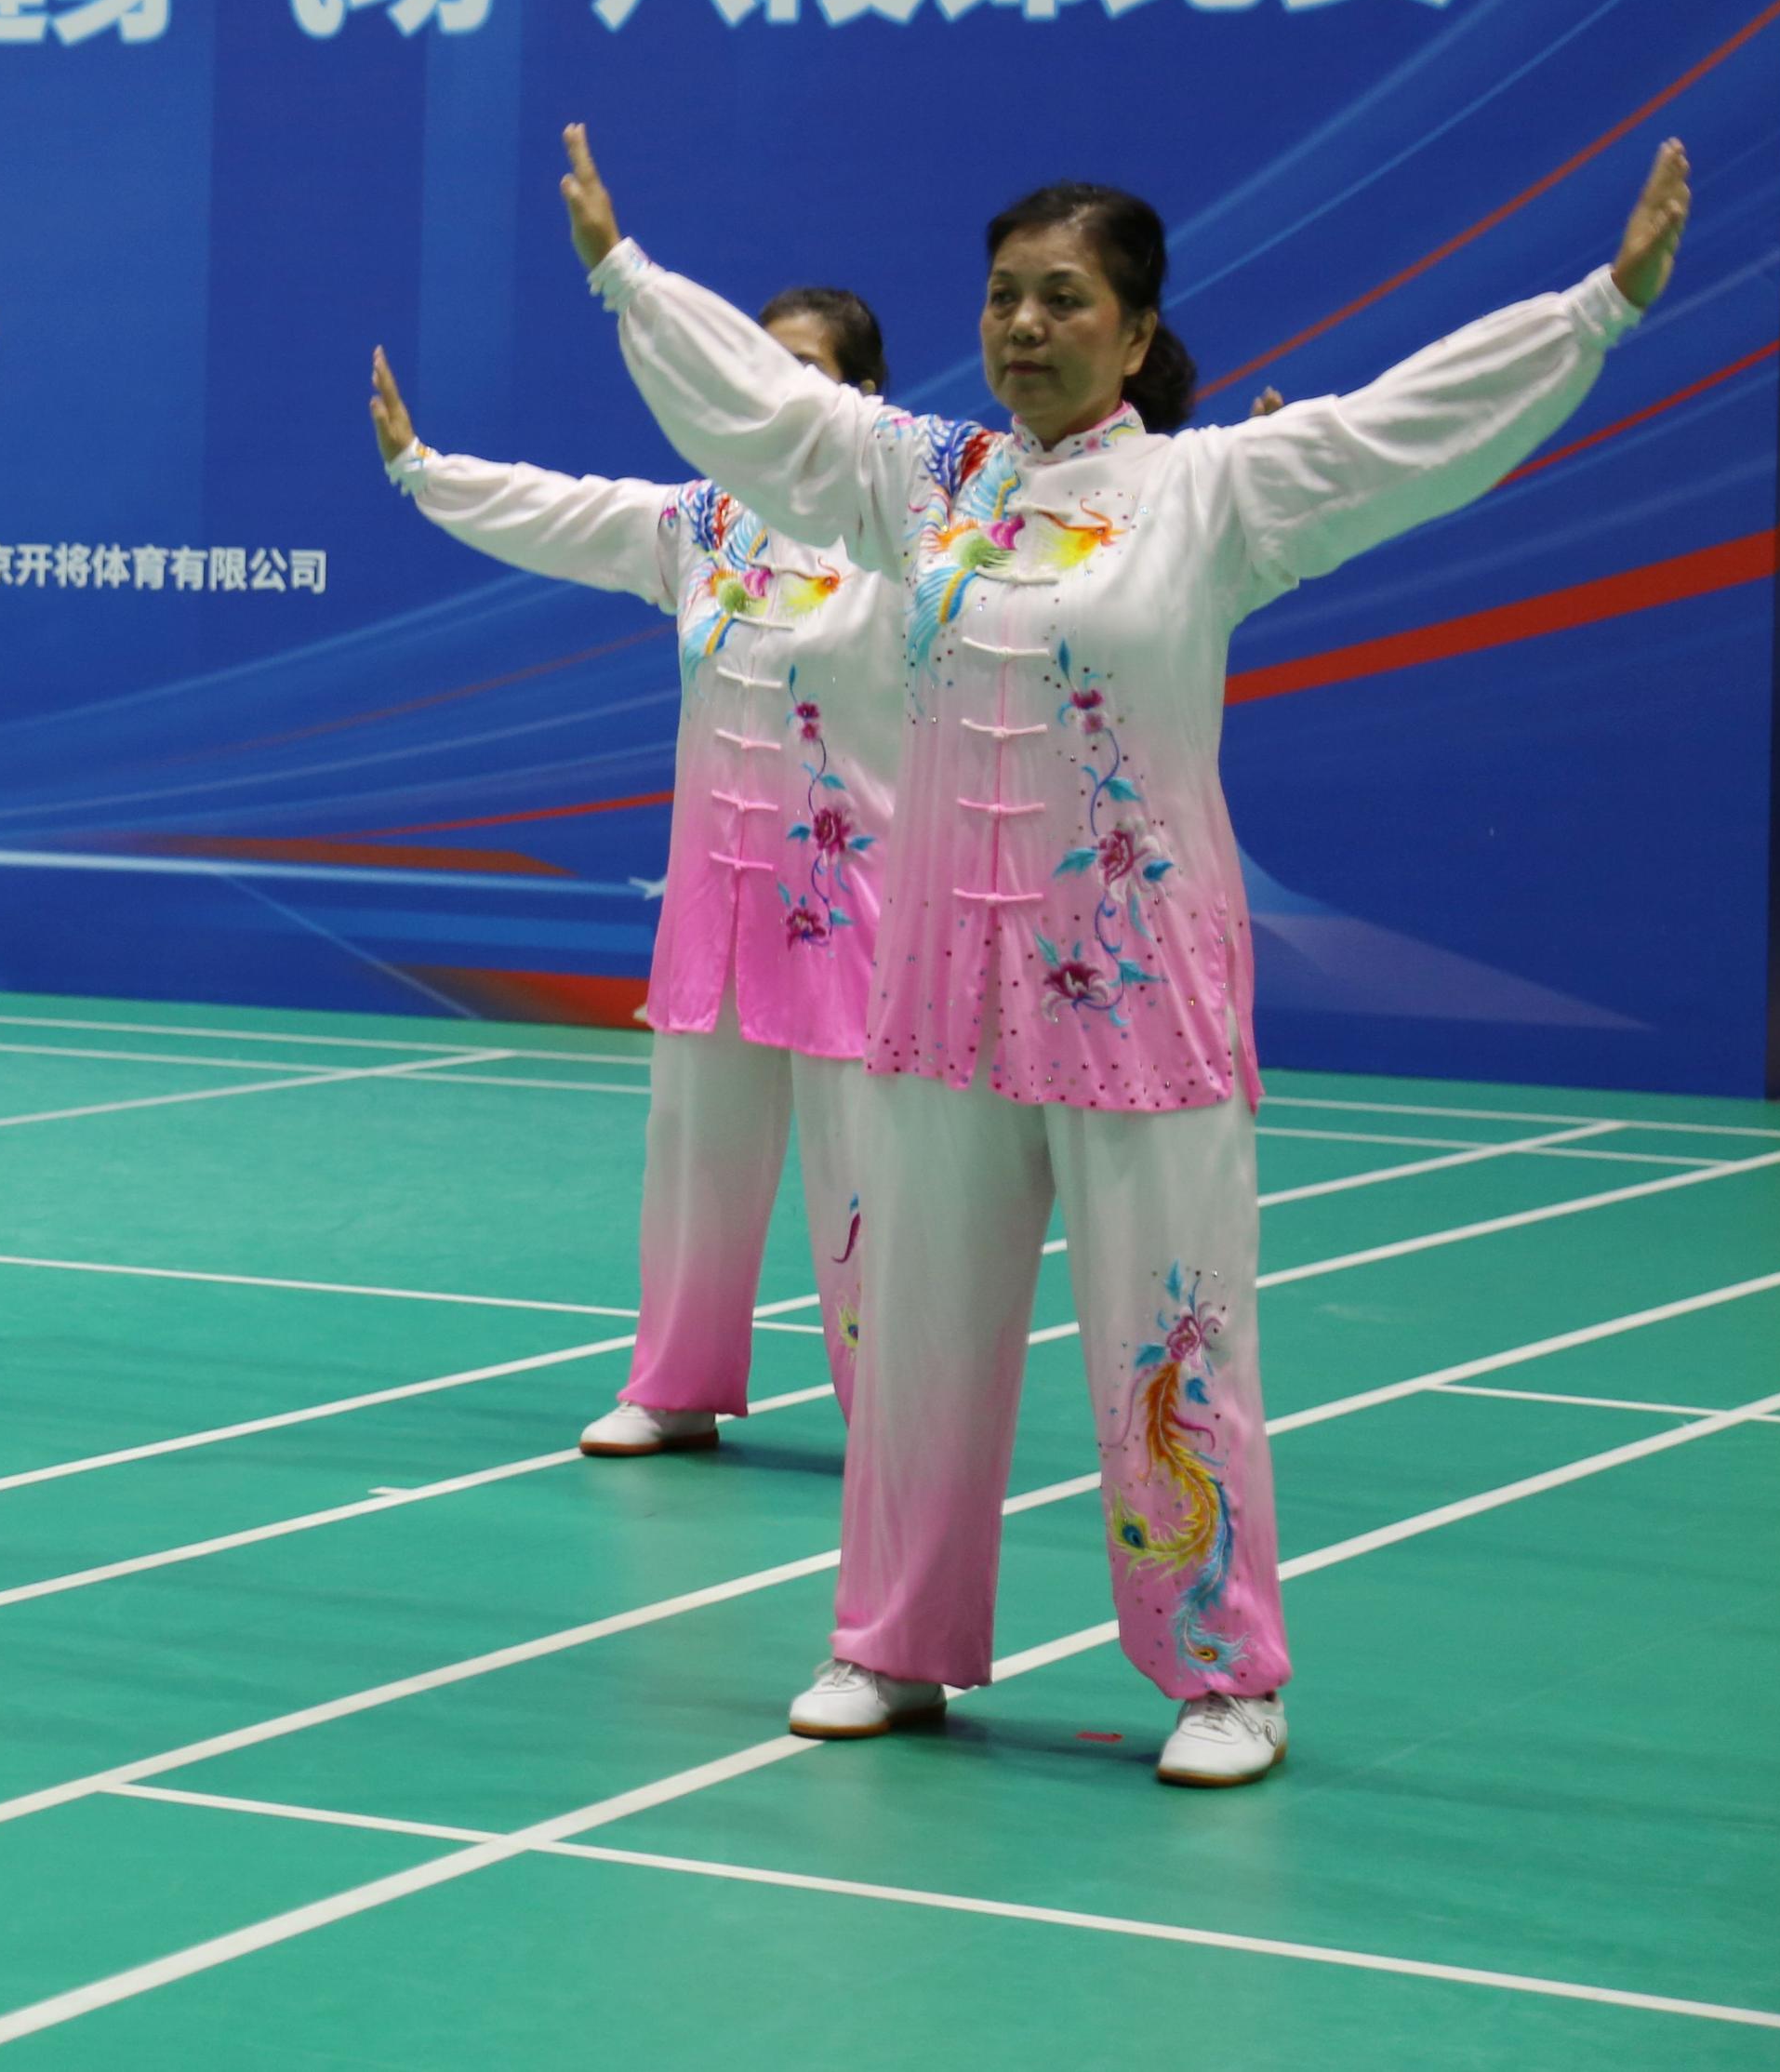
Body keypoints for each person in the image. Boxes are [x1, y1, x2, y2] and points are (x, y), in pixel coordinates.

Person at [570, 121, 1687, 1786]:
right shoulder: (920, 481)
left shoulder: (1208, 489)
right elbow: (765, 413)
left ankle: (1222, 1672)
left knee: (1173, 1339)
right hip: (940, 1000)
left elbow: (1405, 431)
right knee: (915, 1336)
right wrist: (626, 278)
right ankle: (890, 1640)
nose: (1023, 324)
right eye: (1002, 295)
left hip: (1137, 992)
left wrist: (1593, 310)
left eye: (1062, 296)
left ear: (1136, 328)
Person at [367, 285, 899, 1458]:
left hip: (847, 910)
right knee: (692, 1154)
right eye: (752, 362)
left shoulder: (900, 534)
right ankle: (674, 1383)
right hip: (715, 904)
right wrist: (422, 470)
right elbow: (561, 511)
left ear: (861, 398)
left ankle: (897, 1412)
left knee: (867, 1174)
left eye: (800, 368)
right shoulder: (700, 524)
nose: (767, 389)